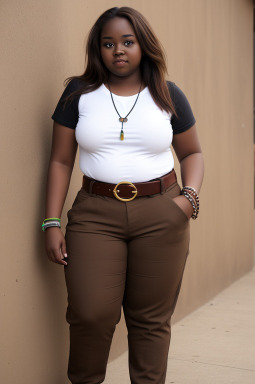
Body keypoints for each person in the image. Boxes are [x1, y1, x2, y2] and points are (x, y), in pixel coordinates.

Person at [43, 6, 204, 384]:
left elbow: (192, 153)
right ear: (97, 49)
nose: (119, 50)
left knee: (150, 320)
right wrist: (51, 221)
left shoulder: (168, 94)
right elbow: (61, 161)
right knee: (90, 312)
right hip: (95, 215)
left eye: (127, 42)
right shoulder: (78, 94)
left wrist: (188, 200)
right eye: (109, 43)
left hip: (163, 212)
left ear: (142, 45)